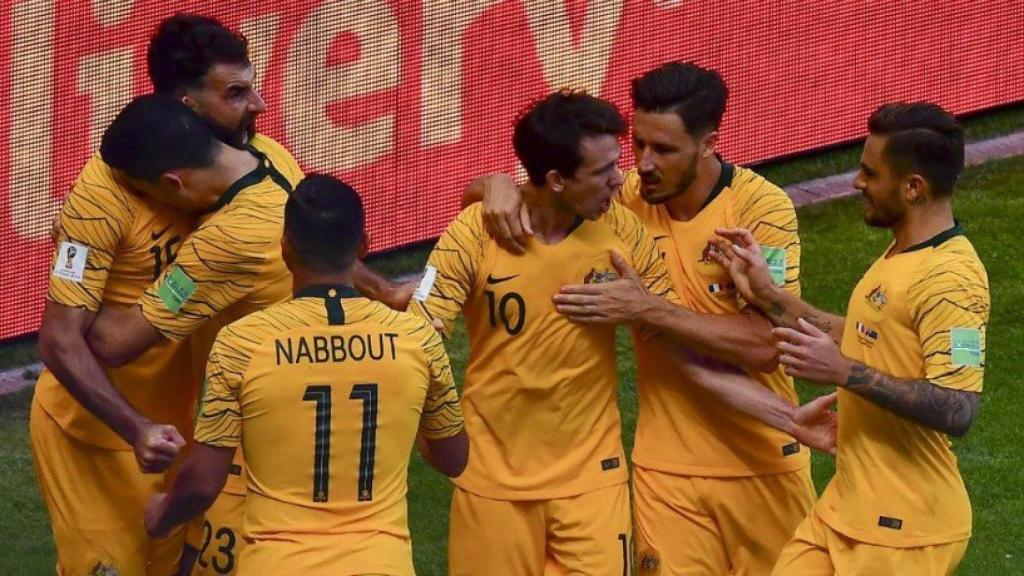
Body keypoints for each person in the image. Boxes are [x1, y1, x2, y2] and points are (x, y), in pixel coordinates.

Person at [409, 90, 836, 575]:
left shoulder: (626, 234)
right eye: (606, 170)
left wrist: (788, 418)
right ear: (556, 180)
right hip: (490, 482)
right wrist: (439, 428)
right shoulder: (473, 233)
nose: (623, 178)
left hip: (594, 483)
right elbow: (418, 335)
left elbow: (683, 355)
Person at [30, 14, 299, 575]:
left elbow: (320, 244)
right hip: (97, 437)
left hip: (177, 431)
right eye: (235, 93)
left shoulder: (256, 162)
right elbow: (59, 342)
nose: (259, 105)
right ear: (187, 104)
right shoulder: (102, 195)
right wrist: (136, 428)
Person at [711, 102, 988, 574]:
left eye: (870, 173)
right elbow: (864, 336)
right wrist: (767, 296)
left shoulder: (952, 279)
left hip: (904, 531)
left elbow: (958, 408)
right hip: (846, 508)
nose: (857, 183)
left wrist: (844, 372)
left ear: (913, 187)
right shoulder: (903, 253)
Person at [142, 174, 468, 575]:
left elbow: (203, 485)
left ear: (285, 249)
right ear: (364, 246)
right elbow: (454, 459)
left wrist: (163, 515)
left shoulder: (241, 344)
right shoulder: (416, 339)